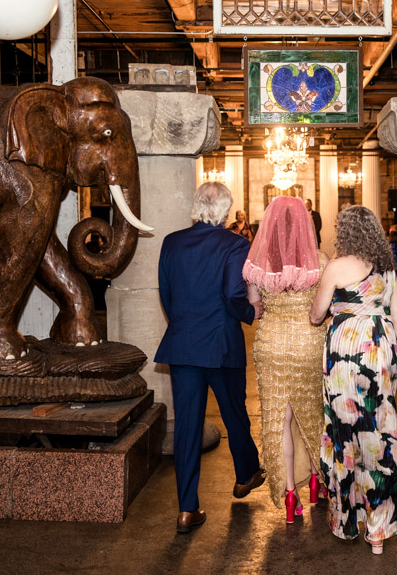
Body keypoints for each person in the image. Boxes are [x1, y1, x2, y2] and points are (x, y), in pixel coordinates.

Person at [156, 182, 266, 534]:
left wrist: (186, 325)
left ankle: (187, 510)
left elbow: (167, 294)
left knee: (187, 427)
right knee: (235, 414)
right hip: (221, 345)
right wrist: (253, 311)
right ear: (226, 210)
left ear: (197, 205)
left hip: (185, 344)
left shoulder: (171, 242)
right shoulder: (235, 244)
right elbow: (234, 294)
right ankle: (245, 474)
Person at [310, 205, 397, 555]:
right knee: (378, 430)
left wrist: (338, 308)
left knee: (344, 428)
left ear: (344, 233)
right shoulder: (387, 268)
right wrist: (390, 358)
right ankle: (378, 528)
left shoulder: (336, 267)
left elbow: (316, 314)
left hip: (344, 357)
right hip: (378, 350)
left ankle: (348, 518)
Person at [243, 196, 329, 524]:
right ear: (306, 226)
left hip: (272, 343)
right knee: (313, 414)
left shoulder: (257, 264)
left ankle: (290, 492)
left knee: (280, 419)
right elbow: (323, 307)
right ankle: (319, 484)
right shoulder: (320, 261)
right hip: (308, 342)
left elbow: (255, 305)